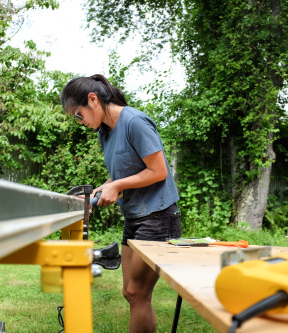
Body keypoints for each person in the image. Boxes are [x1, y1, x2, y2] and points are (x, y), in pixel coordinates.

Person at [60, 74, 181, 333]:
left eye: (78, 115)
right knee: (130, 292)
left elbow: (158, 171)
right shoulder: (106, 130)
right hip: (135, 216)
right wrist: (96, 194)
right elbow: (123, 173)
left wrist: (117, 186)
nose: (79, 122)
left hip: (158, 216)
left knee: (138, 293)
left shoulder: (134, 122)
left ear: (93, 99)